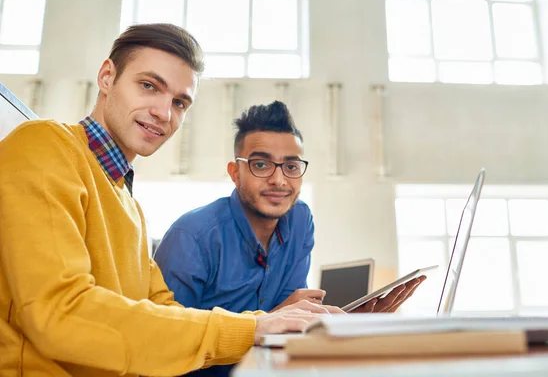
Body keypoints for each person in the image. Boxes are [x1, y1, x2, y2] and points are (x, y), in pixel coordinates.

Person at [0, 23, 339, 377]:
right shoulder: (43, 146)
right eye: (149, 86)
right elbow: (60, 313)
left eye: (179, 102)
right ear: (106, 77)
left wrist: (271, 322)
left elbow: (163, 310)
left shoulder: (129, 205)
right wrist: (254, 328)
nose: (164, 113)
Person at [154, 100, 425, 376]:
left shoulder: (299, 220)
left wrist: (342, 325)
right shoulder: (191, 237)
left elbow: (288, 325)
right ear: (235, 173)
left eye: (291, 167)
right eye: (261, 165)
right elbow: (168, 346)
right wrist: (273, 320)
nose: (279, 181)